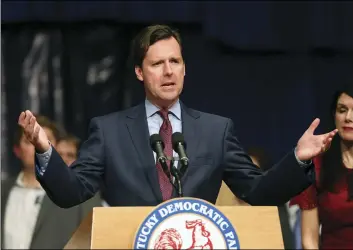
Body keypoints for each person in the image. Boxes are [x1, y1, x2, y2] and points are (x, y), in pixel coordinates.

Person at [18, 24, 337, 209]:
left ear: (185, 68)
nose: (169, 71)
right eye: (157, 64)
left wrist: (298, 159)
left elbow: (258, 191)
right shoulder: (109, 131)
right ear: (140, 73)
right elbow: (71, 193)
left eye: (175, 61)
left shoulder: (217, 130)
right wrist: (46, 150)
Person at [1, 115, 90, 249]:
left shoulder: (78, 192)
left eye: (44, 139)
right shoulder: (3, 191)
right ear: (17, 150)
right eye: (28, 140)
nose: (36, 144)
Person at [290, 84, 353, 249]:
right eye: (342, 110)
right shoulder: (318, 167)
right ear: (334, 115)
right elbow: (308, 239)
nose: (348, 117)